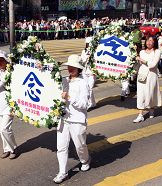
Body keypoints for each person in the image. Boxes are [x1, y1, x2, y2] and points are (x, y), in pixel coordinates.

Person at [54, 55, 90, 184]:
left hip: (78, 119)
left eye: (73, 67)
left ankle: (85, 160)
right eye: (69, 66)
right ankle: (62, 172)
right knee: (61, 147)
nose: (70, 69)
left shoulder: (83, 83)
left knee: (80, 146)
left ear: (78, 69)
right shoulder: (64, 80)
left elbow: (84, 104)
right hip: (64, 118)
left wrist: (69, 97)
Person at [133, 36, 162, 123]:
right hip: (142, 75)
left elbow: (153, 65)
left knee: (151, 93)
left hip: (151, 75)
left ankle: (151, 109)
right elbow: (140, 64)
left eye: (151, 41)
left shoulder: (157, 51)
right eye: (147, 40)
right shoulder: (141, 52)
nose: (149, 42)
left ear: (154, 42)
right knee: (141, 94)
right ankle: (140, 114)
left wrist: (142, 60)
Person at [81, 37, 96, 109]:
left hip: (92, 72)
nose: (89, 45)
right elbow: (82, 60)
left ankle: (88, 103)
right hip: (85, 72)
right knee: (87, 88)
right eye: (88, 44)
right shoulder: (84, 51)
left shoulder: (95, 51)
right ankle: (93, 103)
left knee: (90, 88)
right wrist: (86, 58)